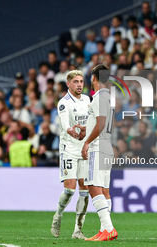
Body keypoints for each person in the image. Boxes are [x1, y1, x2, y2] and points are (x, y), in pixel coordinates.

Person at [51, 70, 90, 239]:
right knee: (69, 189)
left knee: (85, 189)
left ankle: (78, 229)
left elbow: (92, 122)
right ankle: (58, 215)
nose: (79, 84)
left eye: (81, 81)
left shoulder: (88, 100)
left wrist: (86, 131)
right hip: (69, 149)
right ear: (68, 84)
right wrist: (74, 131)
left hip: (84, 149)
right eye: (75, 81)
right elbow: (65, 124)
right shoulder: (63, 102)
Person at [81, 64, 118, 241]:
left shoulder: (98, 98)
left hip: (97, 147)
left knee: (93, 187)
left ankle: (109, 228)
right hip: (107, 145)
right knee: (104, 189)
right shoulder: (109, 97)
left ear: (94, 78)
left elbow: (101, 124)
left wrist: (87, 141)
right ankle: (104, 230)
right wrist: (85, 128)